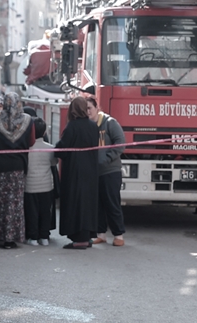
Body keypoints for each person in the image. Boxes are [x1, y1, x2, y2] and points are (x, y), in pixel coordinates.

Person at [0, 92, 34, 249]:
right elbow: (30, 141)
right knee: (12, 204)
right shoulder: (28, 120)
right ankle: (9, 239)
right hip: (16, 168)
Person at [55, 96, 100, 249]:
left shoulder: (72, 126)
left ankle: (79, 239)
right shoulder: (94, 126)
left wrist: (56, 148)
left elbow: (63, 149)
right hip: (91, 171)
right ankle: (87, 237)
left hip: (74, 171)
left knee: (75, 202)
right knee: (87, 203)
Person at [87, 95, 126, 246]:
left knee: (112, 203)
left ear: (97, 108)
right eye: (85, 109)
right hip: (94, 173)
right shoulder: (88, 125)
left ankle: (119, 235)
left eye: (90, 108)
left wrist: (106, 159)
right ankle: (101, 234)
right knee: (98, 205)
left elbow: (120, 144)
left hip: (110, 171)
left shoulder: (110, 123)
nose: (88, 112)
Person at [23, 117, 55, 246]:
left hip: (30, 186)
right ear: (44, 132)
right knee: (45, 212)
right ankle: (45, 237)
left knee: (32, 213)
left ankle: (33, 237)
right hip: (46, 186)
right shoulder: (50, 148)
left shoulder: (26, 149)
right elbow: (54, 163)